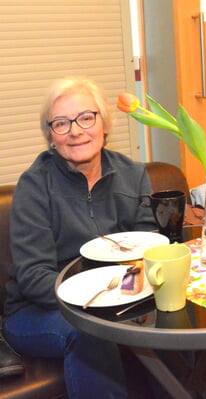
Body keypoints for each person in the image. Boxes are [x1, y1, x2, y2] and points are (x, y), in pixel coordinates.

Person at [2, 77, 156, 398]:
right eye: (61, 123)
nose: (75, 130)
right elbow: (33, 278)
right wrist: (99, 302)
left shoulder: (133, 174)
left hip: (117, 299)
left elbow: (149, 249)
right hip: (36, 311)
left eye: (86, 117)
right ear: (51, 137)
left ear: (104, 124)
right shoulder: (34, 186)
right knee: (90, 334)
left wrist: (122, 297)